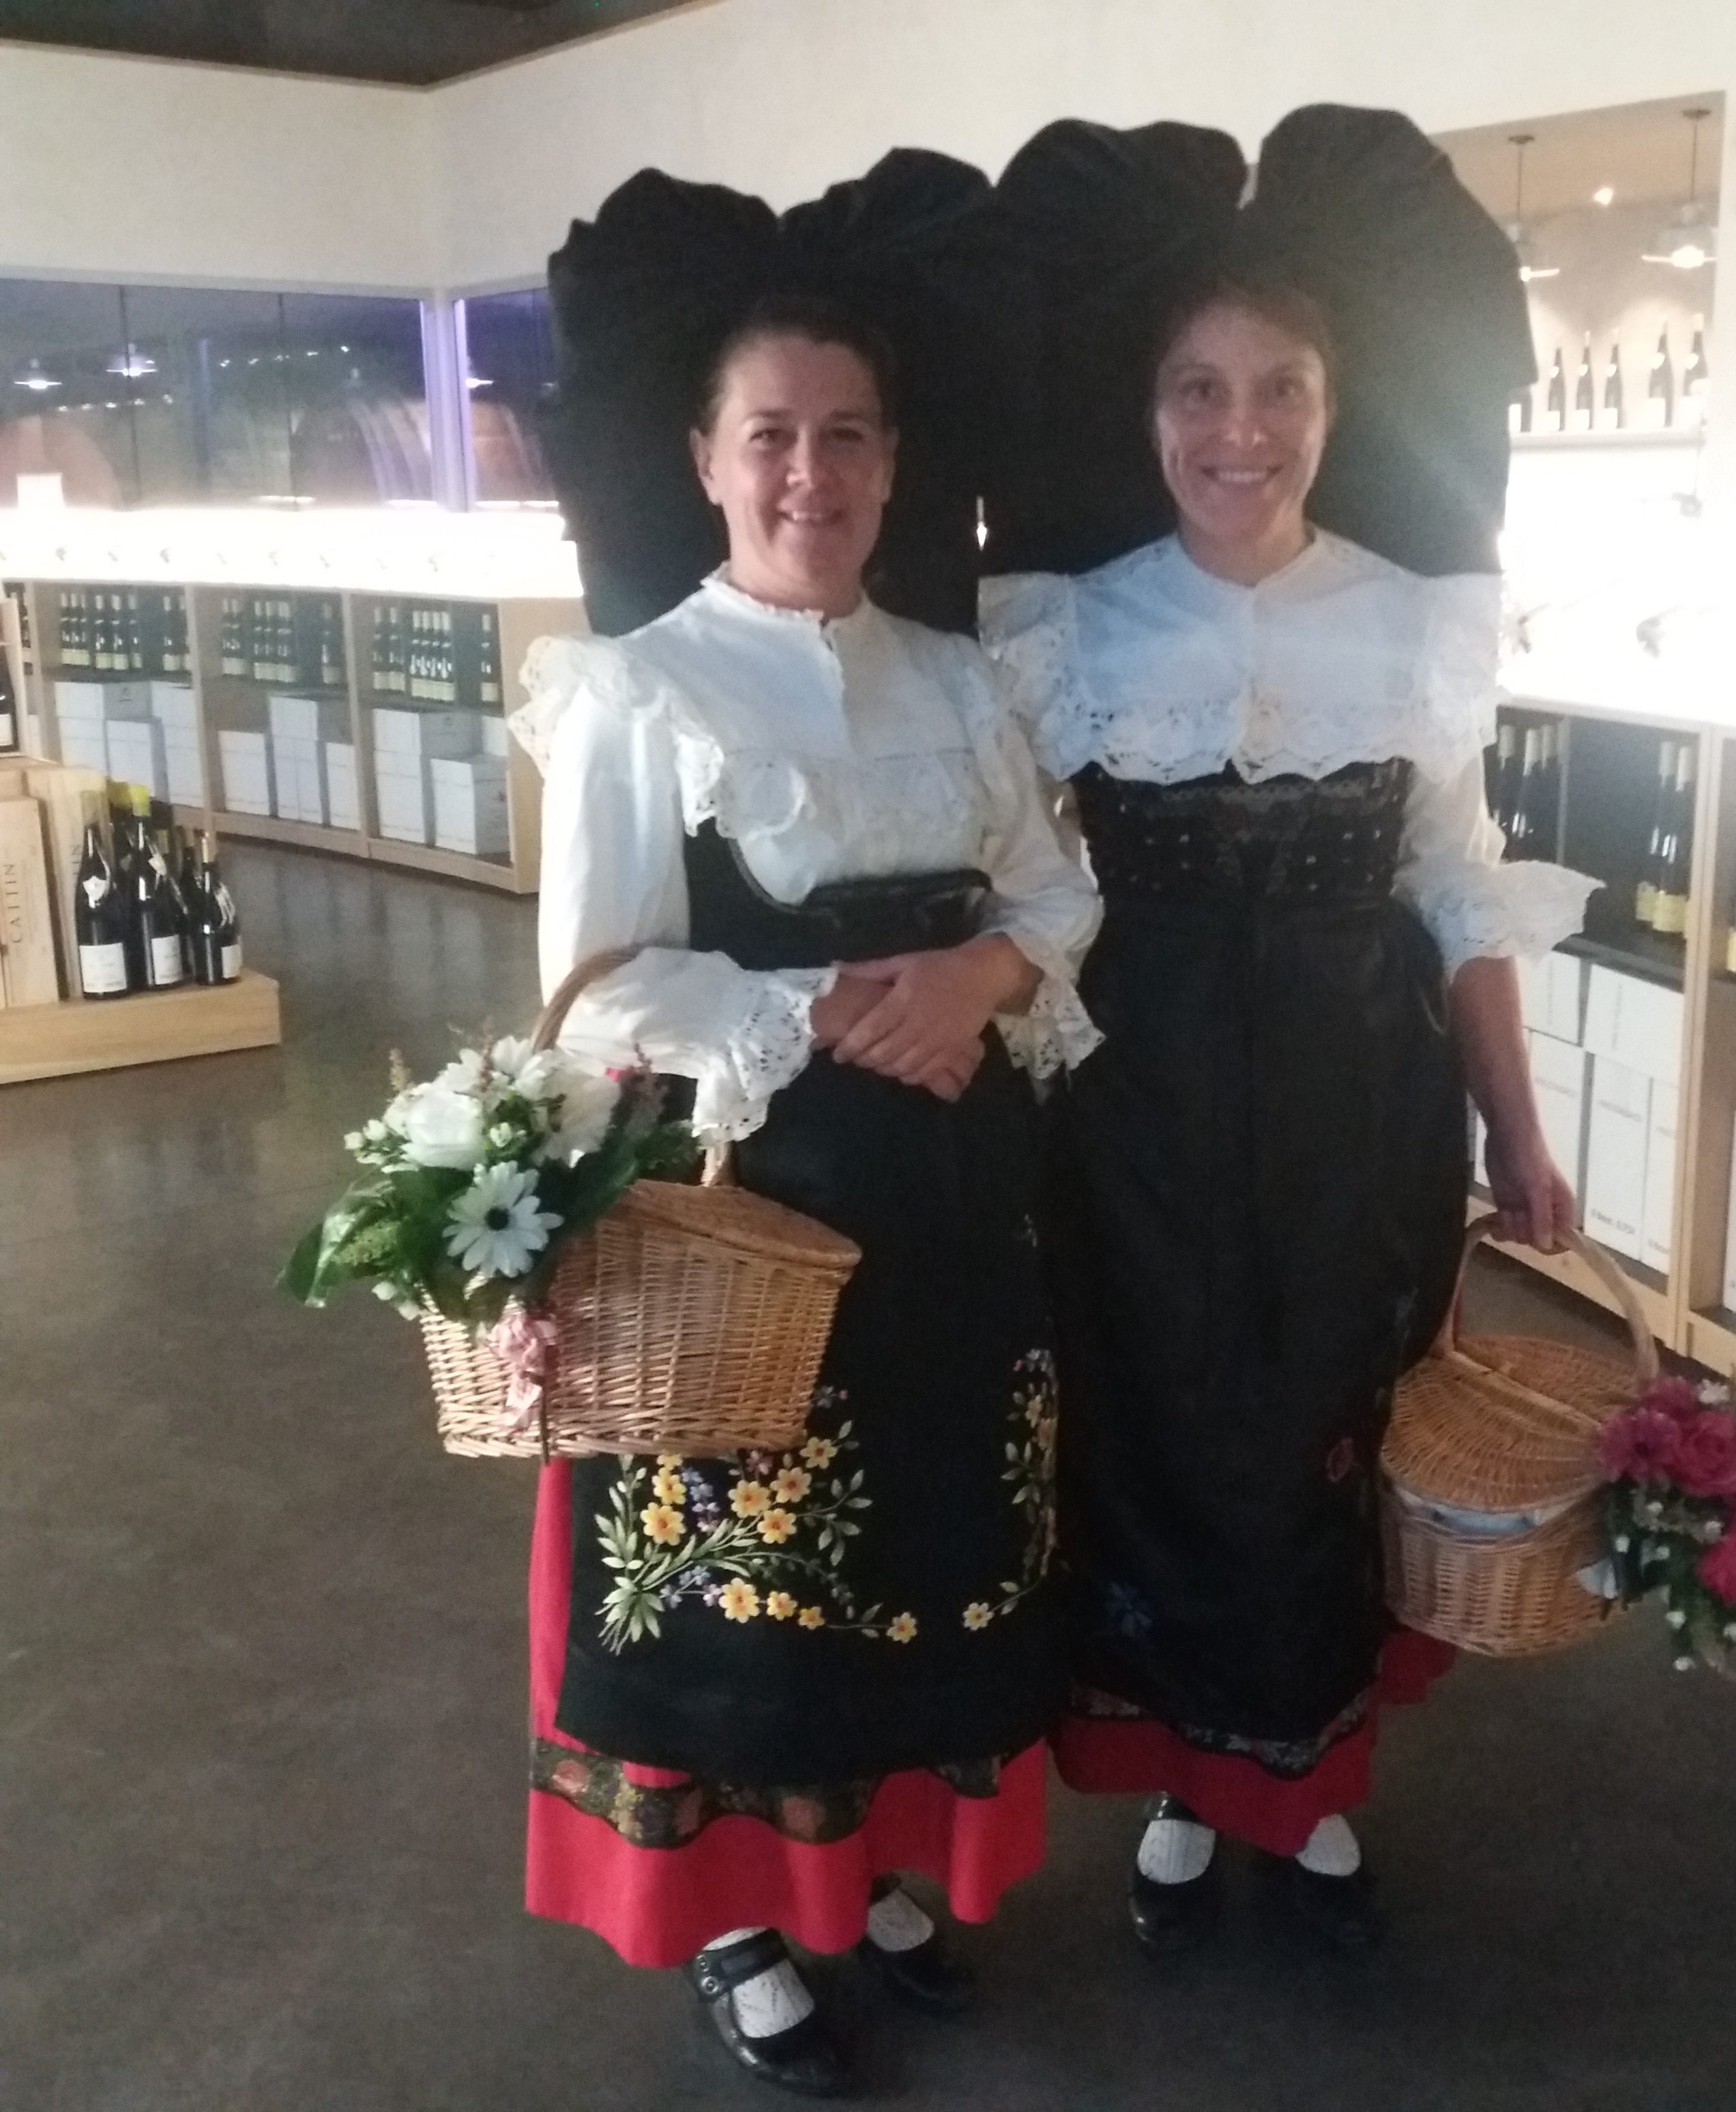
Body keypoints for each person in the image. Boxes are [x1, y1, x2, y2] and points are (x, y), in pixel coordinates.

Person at [514, 294, 1100, 2098]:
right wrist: (826, 1007)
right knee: (755, 1598)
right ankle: (743, 1920)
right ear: (705, 460)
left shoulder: (961, 681)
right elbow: (598, 983)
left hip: (959, 1201)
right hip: (751, 1205)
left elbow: (1057, 894)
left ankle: (873, 1873)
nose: (809, 473)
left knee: (919, 1557)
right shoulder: (640, 688)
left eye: (847, 434)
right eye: (769, 433)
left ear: (893, 465)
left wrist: (982, 979)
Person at [982, 276, 1593, 1953]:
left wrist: (1519, 1127)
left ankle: (1311, 1776)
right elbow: (1021, 884)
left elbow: (1456, 889)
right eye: (1198, 389)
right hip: (1139, 1103)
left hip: (1358, 1102)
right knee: (1165, 1433)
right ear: (1149, 413)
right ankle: (1191, 1778)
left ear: (1332, 411)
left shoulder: (1411, 623)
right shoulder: (1069, 628)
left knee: (1330, 1432)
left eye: (1280, 389)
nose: (1237, 430)